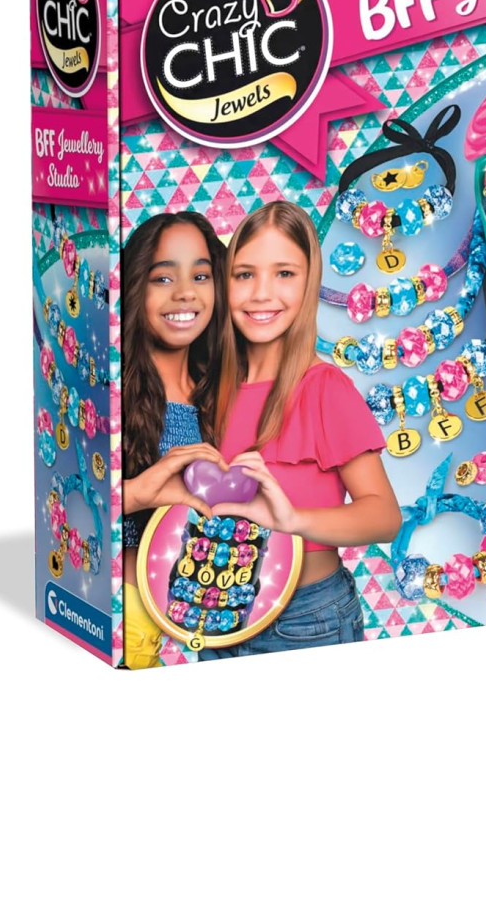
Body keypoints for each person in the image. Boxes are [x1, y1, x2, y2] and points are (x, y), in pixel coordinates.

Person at [200, 201, 401, 657]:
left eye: (284, 274)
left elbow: (385, 517)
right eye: (244, 274)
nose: (261, 294)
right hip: (218, 613)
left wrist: (292, 520)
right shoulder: (212, 388)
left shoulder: (323, 387)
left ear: (310, 283)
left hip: (307, 619)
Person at [120, 212, 228, 669]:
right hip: (128, 618)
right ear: (134, 287)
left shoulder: (218, 392)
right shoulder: (111, 393)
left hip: (202, 625)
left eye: (200, 276)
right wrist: (140, 493)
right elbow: (62, 509)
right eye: (163, 277)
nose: (185, 292)